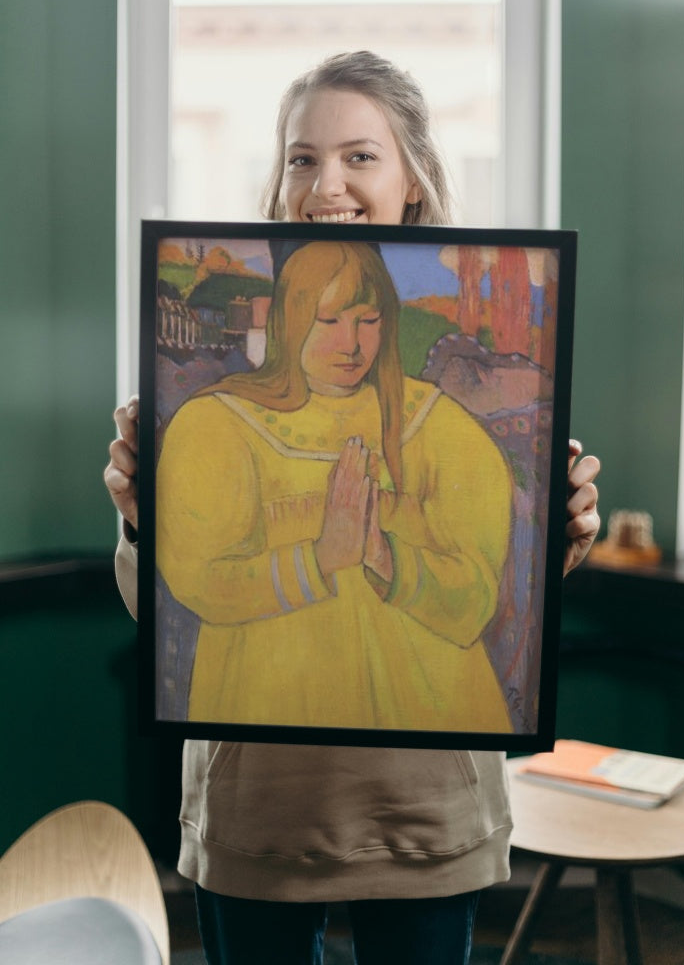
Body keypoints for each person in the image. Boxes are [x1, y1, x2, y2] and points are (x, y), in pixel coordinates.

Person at [105, 50, 601, 965]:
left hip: (424, 808)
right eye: (301, 157)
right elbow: (176, 602)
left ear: (412, 178)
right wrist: (144, 519)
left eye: (359, 156)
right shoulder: (212, 421)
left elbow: (478, 606)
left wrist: (550, 542)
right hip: (260, 809)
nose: (324, 182)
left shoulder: (451, 428)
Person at [155, 240, 514, 733]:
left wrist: (385, 558)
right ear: (287, 319)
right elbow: (198, 581)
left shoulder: (441, 427)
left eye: (368, 320)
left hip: (428, 727)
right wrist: (321, 557)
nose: (351, 344)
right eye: (328, 321)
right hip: (266, 722)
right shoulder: (216, 426)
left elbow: (475, 603)